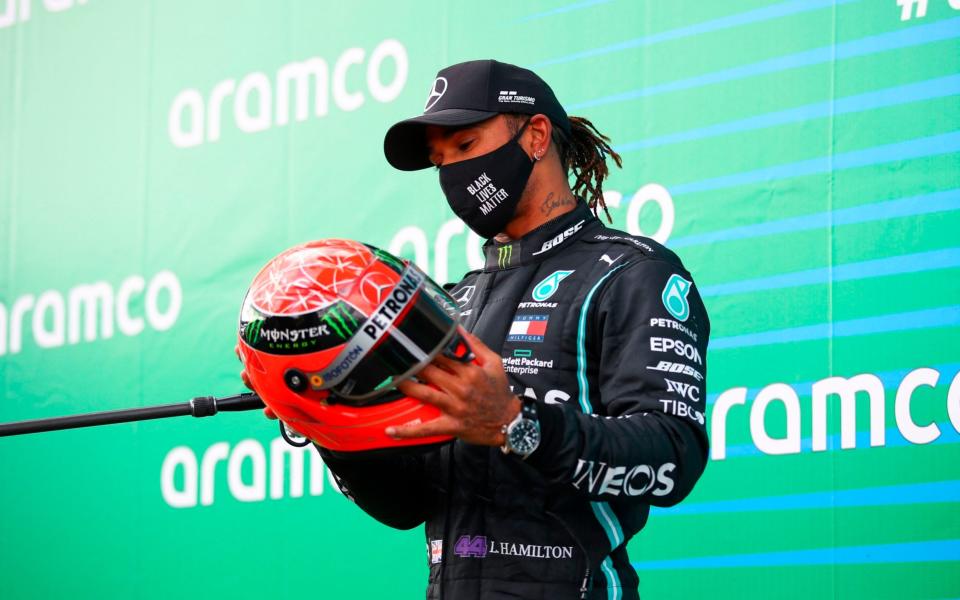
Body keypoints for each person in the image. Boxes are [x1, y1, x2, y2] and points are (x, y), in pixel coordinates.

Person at [246, 59, 710, 600]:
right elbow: (408, 505)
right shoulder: (447, 304)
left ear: (536, 135)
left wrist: (517, 424)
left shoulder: (631, 273)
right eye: (440, 161)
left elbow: (674, 458)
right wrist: (326, 422)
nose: (452, 174)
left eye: (464, 147)